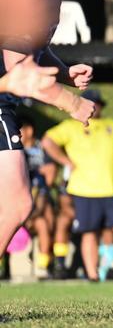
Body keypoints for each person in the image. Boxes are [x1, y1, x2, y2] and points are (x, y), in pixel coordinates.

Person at [0, 0, 96, 259]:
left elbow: (31, 54)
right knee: (16, 204)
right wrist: (71, 103)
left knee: (15, 204)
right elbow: (21, 75)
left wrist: (65, 73)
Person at [42, 89, 113, 281]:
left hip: (111, 190)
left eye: (96, 104)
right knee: (89, 232)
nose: (93, 108)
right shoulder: (70, 126)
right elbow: (47, 141)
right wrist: (65, 161)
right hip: (83, 190)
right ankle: (92, 275)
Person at [19, 115, 57, 278]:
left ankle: (44, 265)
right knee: (45, 218)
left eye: (21, 129)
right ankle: (49, 259)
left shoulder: (41, 148)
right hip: (20, 199)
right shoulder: (13, 149)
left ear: (29, 130)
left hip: (40, 196)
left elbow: (50, 172)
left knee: (46, 219)